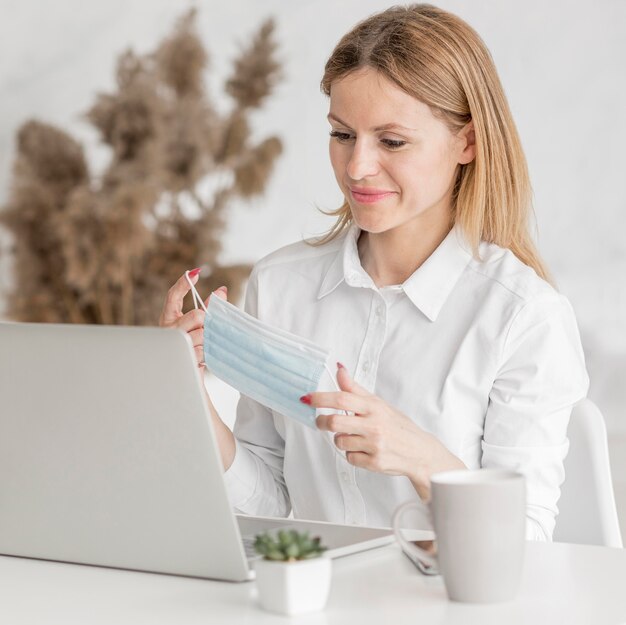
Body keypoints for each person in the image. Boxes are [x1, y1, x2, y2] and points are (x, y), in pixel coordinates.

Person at [159, 4, 588, 540]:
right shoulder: (280, 286)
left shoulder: (524, 318)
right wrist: (186, 393)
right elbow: (268, 502)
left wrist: (422, 458)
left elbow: (525, 545)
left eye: (392, 141)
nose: (357, 166)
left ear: (468, 143)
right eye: (342, 135)